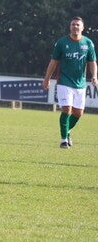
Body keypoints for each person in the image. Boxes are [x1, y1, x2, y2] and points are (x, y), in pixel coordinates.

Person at [42, 16, 97, 149]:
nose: (75, 27)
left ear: (83, 27)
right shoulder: (62, 43)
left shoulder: (88, 43)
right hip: (64, 81)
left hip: (80, 84)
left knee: (78, 113)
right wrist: (47, 78)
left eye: (78, 25)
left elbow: (92, 62)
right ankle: (63, 140)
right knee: (67, 109)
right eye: (73, 24)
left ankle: (67, 132)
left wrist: (94, 76)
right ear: (70, 27)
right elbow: (53, 62)